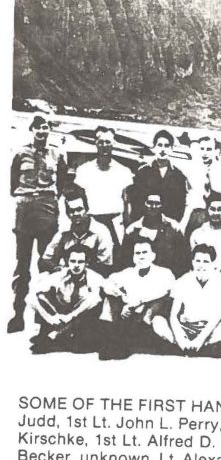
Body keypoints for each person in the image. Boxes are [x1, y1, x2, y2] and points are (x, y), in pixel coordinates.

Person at [10, 115, 68, 332]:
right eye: (38, 128)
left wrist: (47, 202)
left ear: (49, 131)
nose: (42, 132)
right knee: (22, 265)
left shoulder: (58, 154)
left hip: (47, 212)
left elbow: (61, 184)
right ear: (32, 130)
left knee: (47, 263)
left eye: (45, 128)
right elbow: (12, 184)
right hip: (25, 214)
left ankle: (44, 316)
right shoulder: (20, 154)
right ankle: (17, 315)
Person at [100, 237, 176, 359]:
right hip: (130, 316)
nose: (141, 256)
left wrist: (137, 301)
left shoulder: (164, 273)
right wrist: (123, 296)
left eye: (145, 252)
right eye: (137, 253)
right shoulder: (128, 273)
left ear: (153, 255)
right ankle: (112, 339)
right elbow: (106, 283)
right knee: (109, 300)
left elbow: (165, 289)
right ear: (134, 257)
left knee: (159, 302)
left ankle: (120, 343)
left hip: (148, 316)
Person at [151, 244, 221, 355]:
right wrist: (180, 339)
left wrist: (199, 340)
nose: (201, 265)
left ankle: (201, 348)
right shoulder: (182, 281)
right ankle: (179, 347)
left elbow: (217, 316)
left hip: (207, 328)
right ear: (193, 262)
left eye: (206, 261)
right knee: (157, 321)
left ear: (213, 264)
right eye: (198, 261)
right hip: (184, 326)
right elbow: (174, 314)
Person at [30, 244, 103, 352]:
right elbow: (31, 297)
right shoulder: (60, 275)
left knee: (95, 302)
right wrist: (50, 317)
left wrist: (70, 316)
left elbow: (94, 300)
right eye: (73, 261)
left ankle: (56, 336)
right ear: (67, 262)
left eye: (80, 262)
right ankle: (54, 335)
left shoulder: (94, 277)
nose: (76, 265)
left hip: (80, 317)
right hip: (60, 314)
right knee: (41, 295)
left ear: (86, 263)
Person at [72, 126, 133, 243]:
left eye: (108, 142)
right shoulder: (83, 170)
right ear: (95, 143)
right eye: (101, 142)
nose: (104, 145)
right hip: (92, 223)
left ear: (114, 143)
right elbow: (76, 200)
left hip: (116, 223)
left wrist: (128, 226)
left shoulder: (124, 171)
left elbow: (127, 202)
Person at [40, 192, 115, 276]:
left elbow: (106, 265)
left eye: (79, 209)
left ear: (87, 209)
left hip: (92, 279)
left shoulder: (101, 231)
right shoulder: (63, 232)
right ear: (67, 214)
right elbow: (46, 260)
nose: (75, 214)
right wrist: (58, 269)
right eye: (71, 211)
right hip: (65, 278)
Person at [120, 190, 189, 277]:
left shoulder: (173, 228)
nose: (153, 206)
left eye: (157, 203)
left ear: (162, 205)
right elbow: (124, 262)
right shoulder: (132, 230)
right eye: (149, 203)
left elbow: (183, 260)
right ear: (144, 204)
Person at [128, 130, 189, 225]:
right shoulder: (143, 172)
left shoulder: (179, 175)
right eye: (159, 145)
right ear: (154, 147)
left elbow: (180, 204)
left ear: (171, 149)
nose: (163, 149)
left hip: (168, 225)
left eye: (166, 146)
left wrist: (173, 224)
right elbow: (136, 201)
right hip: (146, 223)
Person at [188, 192, 221, 276]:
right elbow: (195, 263)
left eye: (220, 209)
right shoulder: (198, 234)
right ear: (207, 210)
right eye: (212, 209)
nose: (216, 213)